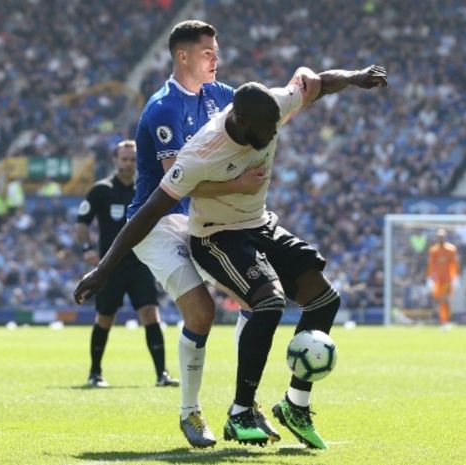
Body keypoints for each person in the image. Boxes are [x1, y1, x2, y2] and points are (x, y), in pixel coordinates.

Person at [74, 64, 387, 449]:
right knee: (268, 303)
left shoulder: (271, 105)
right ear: (239, 122)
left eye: (275, 126)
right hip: (216, 237)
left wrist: (355, 77)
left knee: (324, 299)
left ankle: (295, 404)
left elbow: (318, 84)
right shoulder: (200, 153)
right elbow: (150, 211)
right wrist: (103, 269)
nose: (273, 135)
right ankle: (241, 410)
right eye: (266, 131)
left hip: (259, 224)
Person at [115, 20, 270, 448]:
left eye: (216, 51)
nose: (216, 59)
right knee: (201, 312)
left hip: (198, 219)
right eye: (207, 52)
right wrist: (238, 185)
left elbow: (259, 106)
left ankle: (244, 405)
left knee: (257, 297)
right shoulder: (162, 108)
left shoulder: (220, 96)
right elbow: (175, 185)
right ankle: (190, 412)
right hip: (157, 225)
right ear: (183, 56)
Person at [75, 139, 179, 388]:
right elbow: (81, 223)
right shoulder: (101, 190)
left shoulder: (146, 188)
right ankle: (95, 373)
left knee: (150, 314)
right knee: (105, 318)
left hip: (140, 263)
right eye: (124, 158)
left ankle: (161, 374)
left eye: (132, 159)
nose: (128, 163)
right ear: (115, 160)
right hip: (109, 268)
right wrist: (87, 249)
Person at [426, 229, 460, 329]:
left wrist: (455, 277)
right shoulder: (433, 250)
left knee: (444, 299)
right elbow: (431, 265)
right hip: (438, 280)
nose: (441, 238)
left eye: (442, 236)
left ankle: (445, 321)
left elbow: (454, 264)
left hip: (447, 279)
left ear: (445, 237)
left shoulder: (451, 249)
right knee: (440, 300)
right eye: (439, 237)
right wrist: (430, 278)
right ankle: (444, 320)